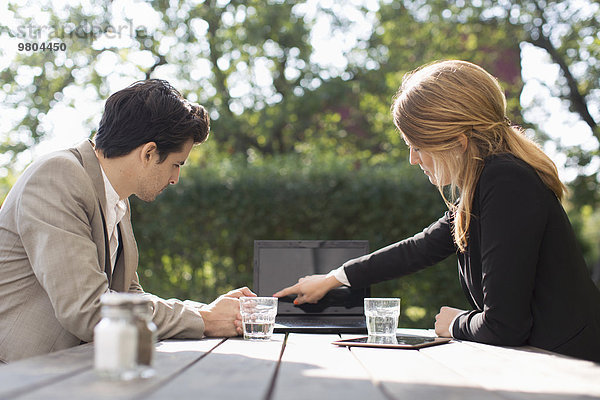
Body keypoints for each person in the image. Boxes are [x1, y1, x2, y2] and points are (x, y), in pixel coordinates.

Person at [274, 60, 600, 363]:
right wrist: (332, 279)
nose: (413, 160)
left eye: (417, 146)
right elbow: (420, 248)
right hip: (545, 362)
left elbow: (504, 326)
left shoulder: (505, 180)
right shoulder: (489, 181)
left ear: (457, 142)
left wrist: (454, 322)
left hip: (571, 372)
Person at [0, 79, 255, 363]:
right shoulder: (57, 177)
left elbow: (128, 296)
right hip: (17, 377)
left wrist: (205, 311)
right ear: (148, 153)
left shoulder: (116, 199)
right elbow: (89, 310)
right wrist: (204, 319)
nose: (175, 179)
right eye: (176, 164)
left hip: (73, 369)